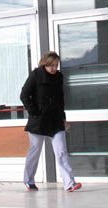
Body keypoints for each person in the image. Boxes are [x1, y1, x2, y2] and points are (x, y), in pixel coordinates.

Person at [20, 52, 82, 192]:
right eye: (52, 65)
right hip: (38, 120)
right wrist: (33, 111)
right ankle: (29, 180)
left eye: (56, 65)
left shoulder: (59, 77)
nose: (54, 68)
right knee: (35, 151)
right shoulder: (36, 75)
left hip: (56, 120)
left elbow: (61, 99)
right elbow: (24, 95)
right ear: (45, 63)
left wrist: (63, 118)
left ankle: (69, 183)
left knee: (61, 152)